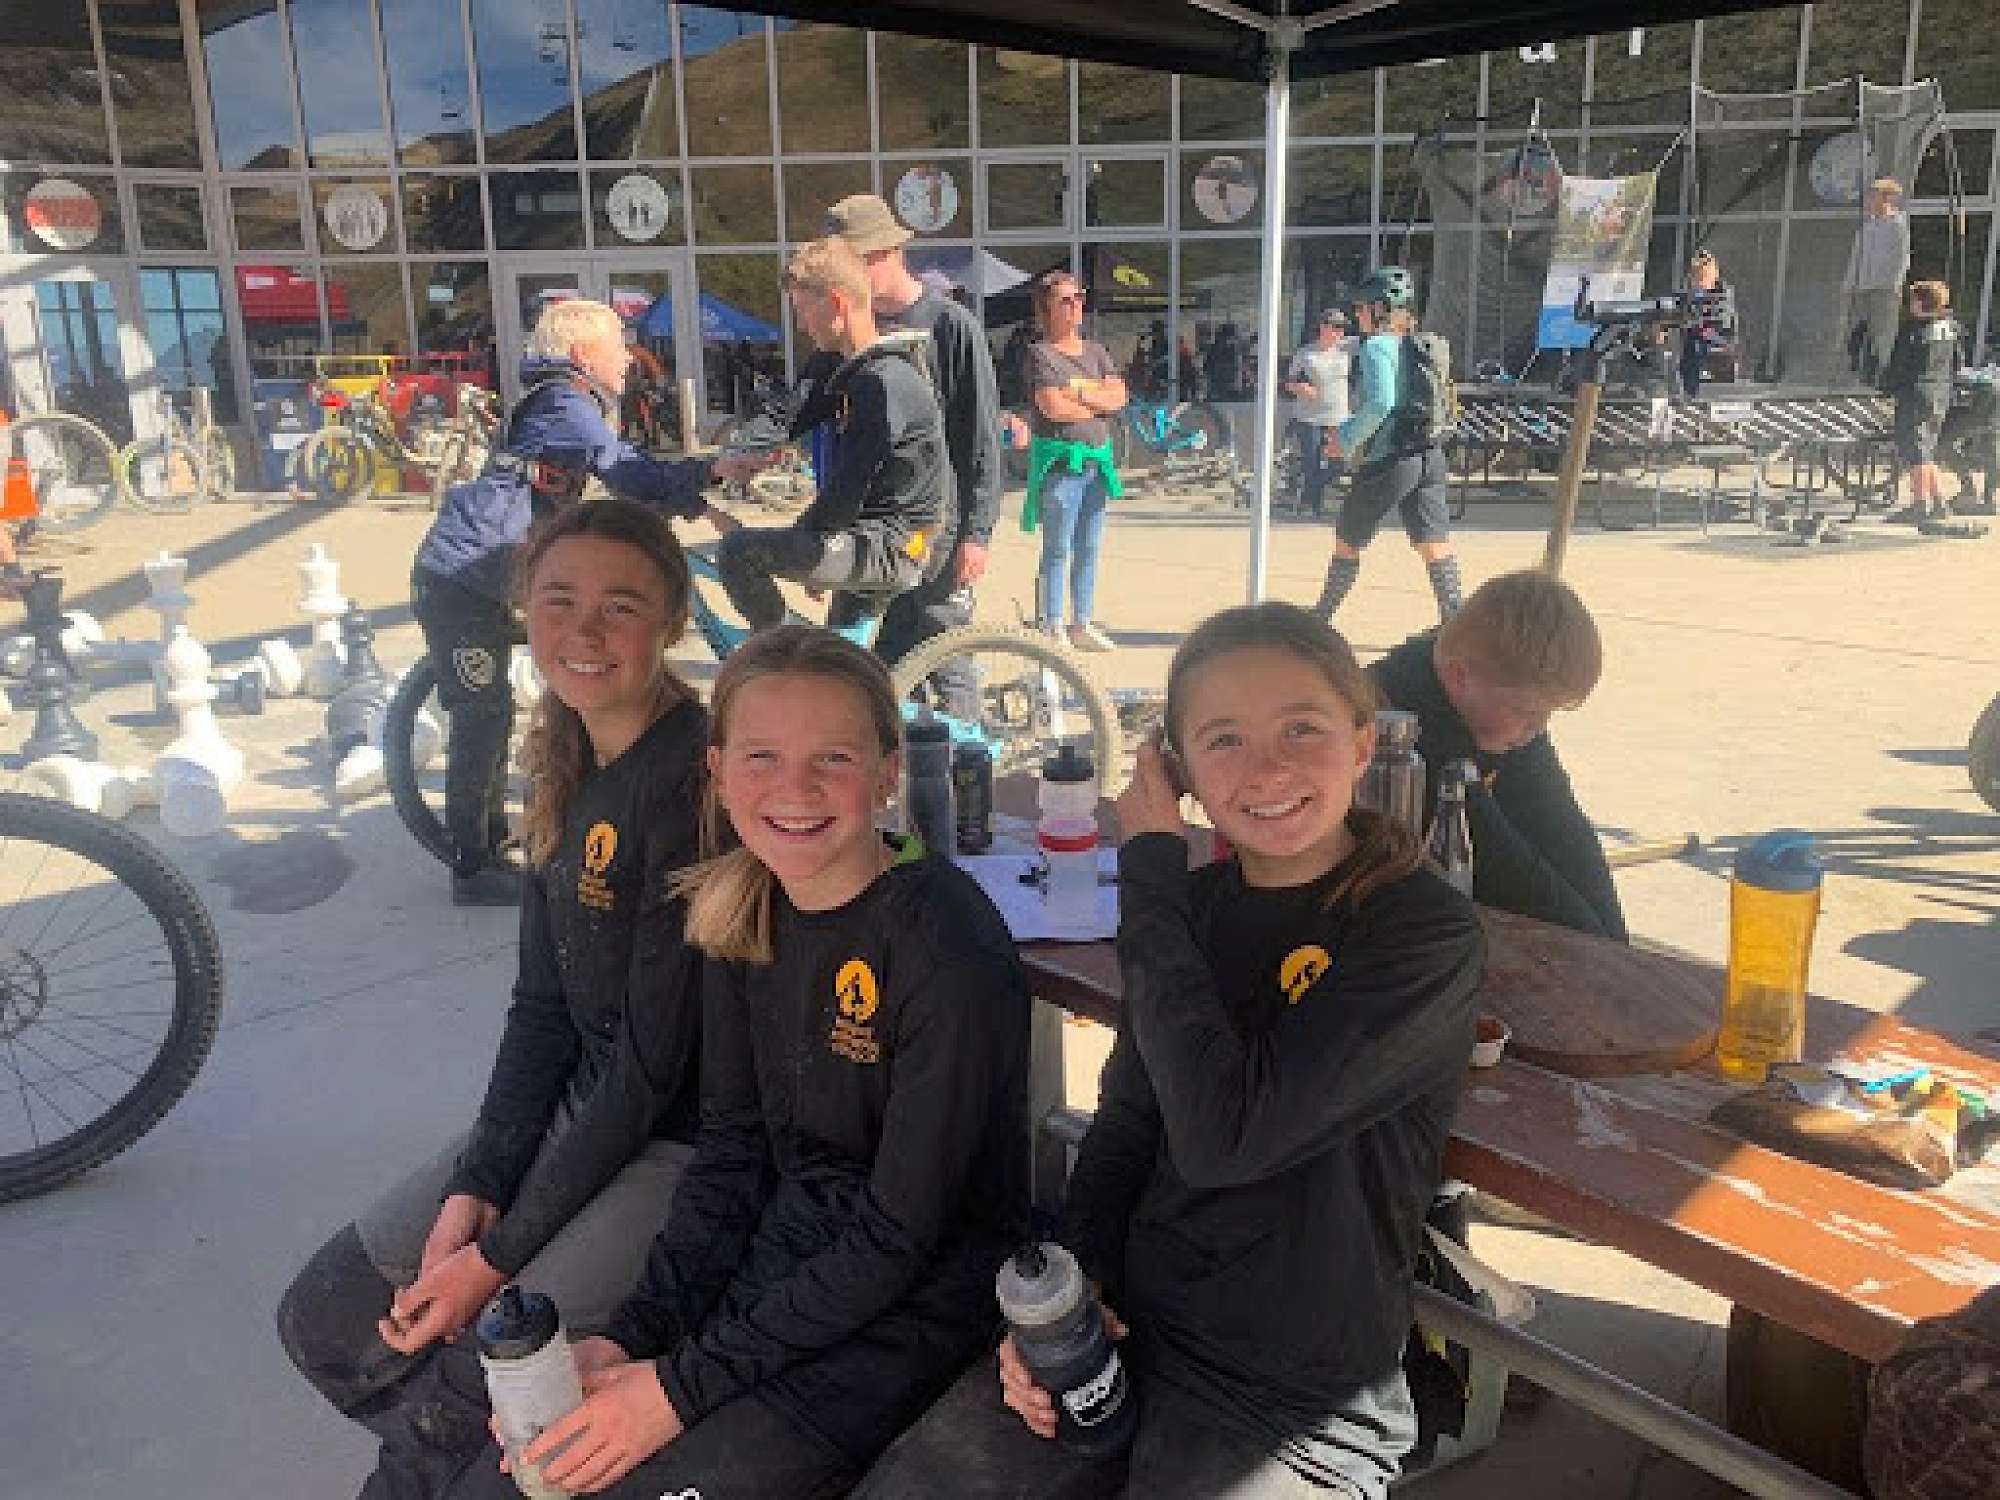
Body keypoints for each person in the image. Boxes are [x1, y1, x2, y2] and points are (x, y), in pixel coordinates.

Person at [854, 602, 1486, 1500]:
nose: (1267, 767)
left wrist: (1153, 870)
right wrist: (1070, 1305)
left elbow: (1230, 1135)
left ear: (1359, 742)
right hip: (1130, 1337)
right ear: (1177, 770)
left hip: (1297, 1403)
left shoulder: (1421, 930)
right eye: (1224, 739)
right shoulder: (1198, 913)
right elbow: (1128, 1123)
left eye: (1302, 728)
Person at [444, 625, 1033, 1500]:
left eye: (832, 757)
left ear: (886, 773)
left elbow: (900, 1235)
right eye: (762, 757)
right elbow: (731, 1153)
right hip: (782, 1268)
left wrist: (676, 1391)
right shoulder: (739, 905)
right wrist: (637, 1335)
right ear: (718, 773)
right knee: (520, 1472)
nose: (795, 789)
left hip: (918, 1303)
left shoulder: (944, 944)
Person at [277, 499, 712, 1499]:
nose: (584, 630)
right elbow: (540, 1009)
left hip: (675, 1141)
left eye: (620, 605)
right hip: (579, 1115)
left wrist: (496, 1258)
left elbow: (650, 1071)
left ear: (672, 621)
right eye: (558, 601)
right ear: (523, 609)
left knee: (466, 1393)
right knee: (329, 1319)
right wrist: (478, 1183)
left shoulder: (693, 783)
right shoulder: (565, 759)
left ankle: (477, 1461)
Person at [410, 298, 751, 906]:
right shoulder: (564, 403)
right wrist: (712, 469)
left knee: (494, 711)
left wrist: (698, 501)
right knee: (481, 715)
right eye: (618, 344)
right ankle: (471, 866)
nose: (628, 358)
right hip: (461, 580)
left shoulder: (567, 403)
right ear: (582, 353)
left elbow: (626, 489)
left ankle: (492, 843)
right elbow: (625, 471)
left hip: (488, 574)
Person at [1369, 569, 1625, 940]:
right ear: (1458, 676)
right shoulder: (1394, 737)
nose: (1537, 728)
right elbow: (1497, 860)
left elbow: (1562, 827)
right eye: (1527, 712)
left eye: (1548, 714)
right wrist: (1592, 941)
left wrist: (1614, 943)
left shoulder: (1498, 700)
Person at [716, 237, 953, 635]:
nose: (801, 325)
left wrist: (805, 544)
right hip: (884, 535)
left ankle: (783, 655)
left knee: (738, 551)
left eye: (803, 310)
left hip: (892, 545)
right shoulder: (874, 369)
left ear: (837, 303)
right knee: (839, 659)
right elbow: (794, 415)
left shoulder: (881, 382)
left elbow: (848, 488)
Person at [828, 192, 1002, 720]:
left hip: (934, 528)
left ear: (884, 254)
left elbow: (980, 437)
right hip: (869, 529)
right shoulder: (852, 331)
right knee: (853, 664)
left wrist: (977, 533)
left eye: (851, 265)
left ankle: (972, 757)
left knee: (941, 647)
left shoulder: (950, 325)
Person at [1311, 267, 1463, 626]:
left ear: (1379, 308)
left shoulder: (1377, 346)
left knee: (1348, 538)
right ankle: (1455, 621)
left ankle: (1320, 618)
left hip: (1390, 458)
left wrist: (1345, 439)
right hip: (1428, 453)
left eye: (1361, 308)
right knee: (1433, 543)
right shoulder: (1416, 344)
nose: (1356, 315)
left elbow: (1381, 402)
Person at [1023, 268, 1127, 651]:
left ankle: (1081, 621)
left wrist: (1081, 395)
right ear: (1047, 309)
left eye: (1079, 298)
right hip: (1062, 468)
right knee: (1058, 548)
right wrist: (1097, 401)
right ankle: (1052, 623)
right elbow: (1052, 407)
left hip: (1097, 464)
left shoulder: (1096, 352)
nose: (1075, 306)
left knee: (1089, 547)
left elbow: (1119, 397)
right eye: (1065, 300)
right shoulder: (1041, 355)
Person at [1882, 279, 1968, 531]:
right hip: (1940, 392)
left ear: (1921, 302)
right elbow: (1958, 363)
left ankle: (1919, 504)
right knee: (1927, 448)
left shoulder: (1913, 331)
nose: (1910, 305)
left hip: (1915, 393)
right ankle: (1938, 501)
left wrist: (1887, 388)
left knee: (1914, 449)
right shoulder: (1950, 327)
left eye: (1913, 300)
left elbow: (1899, 365)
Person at [1284, 309, 1353, 517]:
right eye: (1336, 327)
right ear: (1323, 327)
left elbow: (1374, 336)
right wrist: (1300, 387)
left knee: (1339, 464)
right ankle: (1311, 505)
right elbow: (1289, 382)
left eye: (1342, 328)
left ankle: (1310, 493)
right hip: (1309, 417)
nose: (1340, 332)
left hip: (1339, 417)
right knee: (1311, 462)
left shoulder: (1348, 347)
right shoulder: (1305, 354)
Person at [1845, 178, 1911, 387]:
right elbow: (1856, 257)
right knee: (1858, 331)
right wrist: (1849, 284)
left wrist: (1893, 285)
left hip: (1884, 289)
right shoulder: (1866, 228)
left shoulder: (1897, 226)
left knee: (1882, 335)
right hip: (1862, 287)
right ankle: (1859, 372)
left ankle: (1880, 378)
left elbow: (1901, 259)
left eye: (1873, 197)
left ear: (1888, 199)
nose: (1869, 202)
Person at [1679, 250, 1738, 396]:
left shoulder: (1723, 294)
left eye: (1703, 277)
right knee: (1690, 353)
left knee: (1697, 348)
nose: (1699, 282)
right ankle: (1688, 391)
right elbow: (1684, 314)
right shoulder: (1691, 293)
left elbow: (1723, 321)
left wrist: (1704, 313)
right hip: (1697, 337)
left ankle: (1692, 389)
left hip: (1717, 338)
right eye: (1696, 277)